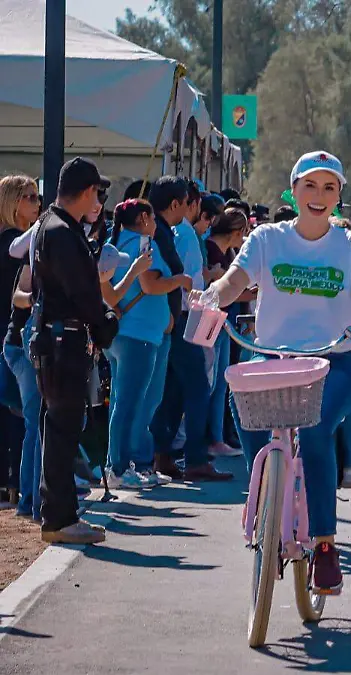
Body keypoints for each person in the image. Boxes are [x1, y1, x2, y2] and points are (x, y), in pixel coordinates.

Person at [200, 150, 351, 592]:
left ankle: (324, 544)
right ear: (294, 190)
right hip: (271, 357)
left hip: (332, 361)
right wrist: (212, 296)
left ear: (339, 196)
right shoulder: (267, 238)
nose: (318, 195)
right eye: (310, 185)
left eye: (329, 188)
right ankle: (266, 491)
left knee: (316, 430)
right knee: (241, 399)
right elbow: (235, 280)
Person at [29, 158, 119, 544]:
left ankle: (59, 514)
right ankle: (60, 517)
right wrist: (104, 321)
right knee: (63, 431)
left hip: (56, 339)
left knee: (59, 429)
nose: (97, 199)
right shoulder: (62, 231)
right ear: (86, 191)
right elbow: (81, 291)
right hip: (63, 341)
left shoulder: (50, 225)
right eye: (96, 191)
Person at [148, 177, 228, 482]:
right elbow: (183, 279)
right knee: (197, 388)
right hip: (184, 317)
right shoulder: (181, 234)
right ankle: (195, 457)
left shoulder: (174, 233)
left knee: (174, 390)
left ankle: (164, 453)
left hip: (179, 316)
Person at [99, 198, 178, 488]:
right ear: (144, 218)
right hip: (138, 336)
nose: (156, 224)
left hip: (122, 335)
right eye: (153, 218)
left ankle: (124, 465)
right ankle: (119, 468)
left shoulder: (113, 244)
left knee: (123, 402)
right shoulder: (144, 245)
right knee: (131, 404)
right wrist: (181, 280)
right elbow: (149, 284)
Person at [0, 175, 38, 509]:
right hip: (12, 332)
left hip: (9, 331)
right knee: (18, 411)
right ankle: (16, 483)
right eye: (30, 197)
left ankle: (12, 483)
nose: (38, 203)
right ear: (13, 202)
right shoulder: (14, 244)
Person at [203, 208, 250, 459]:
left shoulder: (225, 252)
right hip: (212, 322)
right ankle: (212, 438)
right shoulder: (212, 251)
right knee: (212, 383)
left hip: (222, 322)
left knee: (220, 383)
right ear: (236, 232)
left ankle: (218, 436)